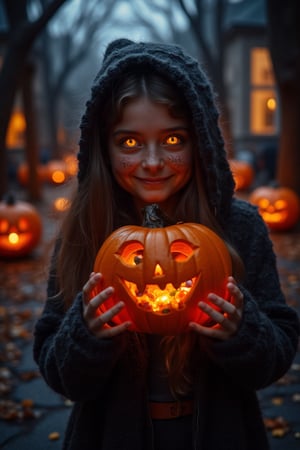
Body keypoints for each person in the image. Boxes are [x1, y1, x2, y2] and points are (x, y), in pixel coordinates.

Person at [33, 39, 300, 450]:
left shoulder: (239, 227)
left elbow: (276, 355)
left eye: (173, 140)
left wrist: (241, 331)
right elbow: (59, 373)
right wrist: (85, 335)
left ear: (201, 142)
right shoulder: (85, 231)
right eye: (130, 143)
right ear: (104, 148)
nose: (153, 161)